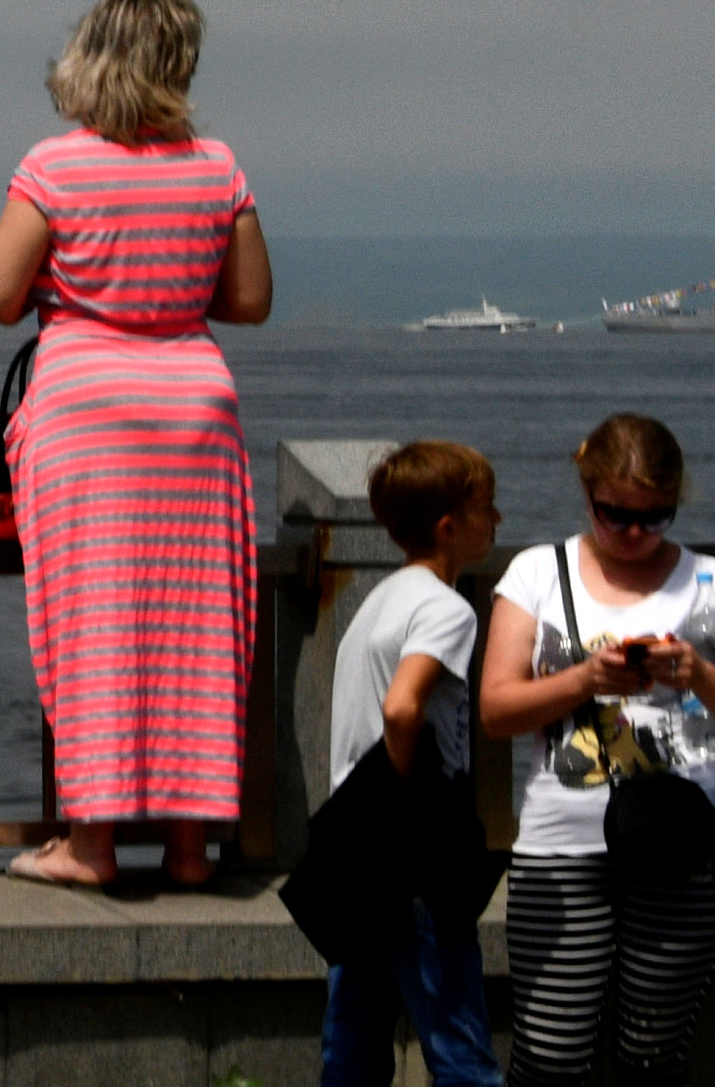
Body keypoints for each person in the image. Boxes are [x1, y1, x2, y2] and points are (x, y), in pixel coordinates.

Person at [0, 0, 270, 889]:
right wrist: (170, 297)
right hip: (193, 407)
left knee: (92, 621)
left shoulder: (56, 167)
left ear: (88, 55)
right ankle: (188, 846)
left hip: (85, 411)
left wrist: (84, 292)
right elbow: (249, 300)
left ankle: (90, 842)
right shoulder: (217, 167)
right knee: (197, 626)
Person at [477, 415, 715, 1087]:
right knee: (550, 1058)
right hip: (562, 851)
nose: (636, 533)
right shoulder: (537, 573)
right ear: (587, 494)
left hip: (690, 845)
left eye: (655, 516)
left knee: (653, 1057)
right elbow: (496, 709)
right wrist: (585, 678)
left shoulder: (713, 582)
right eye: (617, 514)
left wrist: (700, 673)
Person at [315, 441, 505, 1087]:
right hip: (412, 849)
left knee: (353, 1045)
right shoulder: (446, 608)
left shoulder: (380, 599)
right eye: (487, 507)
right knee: (458, 1043)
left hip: (353, 843)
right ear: (450, 525)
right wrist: (412, 802)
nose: (498, 519)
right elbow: (403, 709)